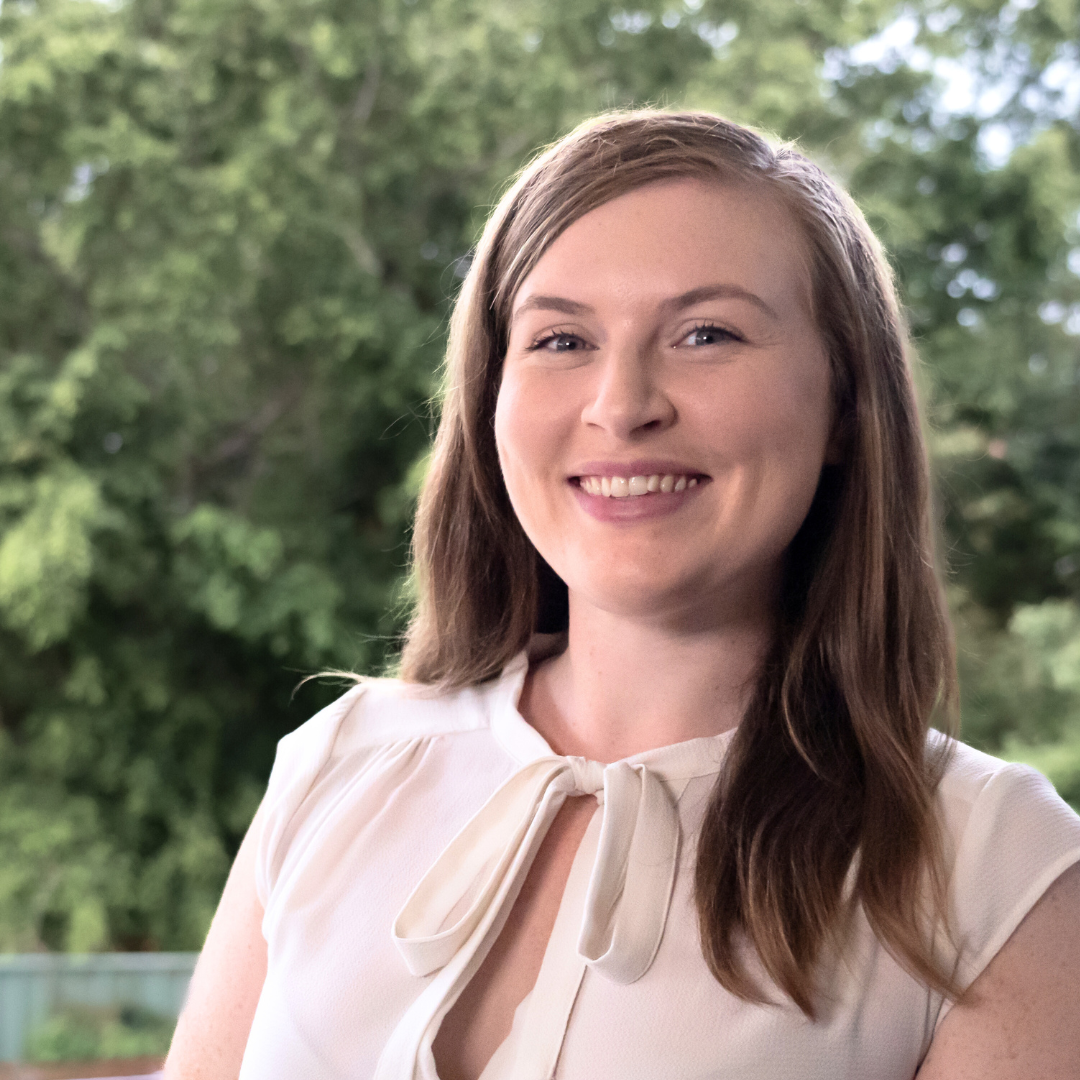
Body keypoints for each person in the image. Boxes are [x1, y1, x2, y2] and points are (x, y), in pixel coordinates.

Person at [164, 111, 1080, 1080]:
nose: (621, 404)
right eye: (561, 340)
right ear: (488, 397)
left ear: (847, 405)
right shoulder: (337, 766)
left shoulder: (998, 870)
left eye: (707, 333)